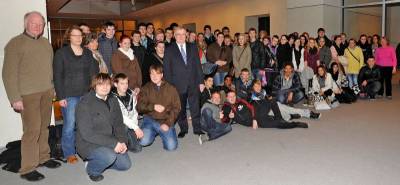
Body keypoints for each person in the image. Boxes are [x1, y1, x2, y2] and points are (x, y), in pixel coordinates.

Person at [2, 11, 61, 181]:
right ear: (25, 24)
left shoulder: (45, 43)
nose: (37, 26)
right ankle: (27, 168)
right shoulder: (15, 44)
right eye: (33, 23)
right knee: (32, 131)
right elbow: (8, 74)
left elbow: (49, 68)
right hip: (27, 96)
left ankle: (44, 157)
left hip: (46, 92)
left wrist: (53, 88)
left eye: (40, 24)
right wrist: (14, 98)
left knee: (44, 128)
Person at [53, 25, 99, 164]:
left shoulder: (87, 52)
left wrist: (95, 91)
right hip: (69, 95)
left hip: (86, 94)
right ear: (69, 37)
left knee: (85, 124)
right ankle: (69, 153)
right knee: (70, 125)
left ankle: (84, 149)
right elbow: (57, 76)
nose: (78, 38)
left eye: (80, 35)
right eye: (75, 35)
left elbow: (94, 72)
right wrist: (60, 97)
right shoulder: (62, 53)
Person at [76, 73, 131, 182]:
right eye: (100, 84)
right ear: (94, 86)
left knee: (125, 165)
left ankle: (102, 160)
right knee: (109, 156)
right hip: (89, 143)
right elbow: (87, 134)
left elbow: (119, 123)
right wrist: (114, 144)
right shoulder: (85, 103)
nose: (105, 87)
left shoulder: (113, 100)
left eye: (107, 84)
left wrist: (122, 141)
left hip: (108, 139)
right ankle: (91, 169)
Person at [163, 27, 205, 138]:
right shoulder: (169, 49)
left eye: (183, 34)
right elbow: (167, 70)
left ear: (186, 35)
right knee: (181, 109)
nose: (181, 36)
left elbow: (198, 66)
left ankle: (197, 128)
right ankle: (184, 129)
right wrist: (170, 87)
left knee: (195, 107)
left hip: (193, 82)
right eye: (178, 34)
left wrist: (201, 82)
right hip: (177, 85)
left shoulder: (192, 47)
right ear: (174, 35)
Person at [137, 64, 181, 150]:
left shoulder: (171, 89)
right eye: (152, 74)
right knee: (143, 141)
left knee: (171, 147)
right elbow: (139, 107)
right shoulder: (145, 88)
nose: (154, 76)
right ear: (149, 75)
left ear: (162, 75)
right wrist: (153, 107)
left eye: (157, 74)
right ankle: (153, 130)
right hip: (150, 120)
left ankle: (163, 131)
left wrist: (168, 123)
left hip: (165, 120)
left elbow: (177, 108)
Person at [223, 91, 308, 129]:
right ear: (226, 98)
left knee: (272, 101)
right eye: (230, 96)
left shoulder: (240, 101)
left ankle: (281, 118)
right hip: (259, 121)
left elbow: (252, 107)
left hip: (257, 114)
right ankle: (296, 124)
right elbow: (224, 120)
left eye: (233, 96)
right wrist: (230, 117)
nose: (232, 98)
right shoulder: (226, 107)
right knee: (277, 124)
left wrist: (254, 119)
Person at [251, 80, 320, 121]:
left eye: (259, 86)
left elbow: (268, 98)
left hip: (272, 106)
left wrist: (270, 98)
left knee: (288, 109)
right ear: (253, 87)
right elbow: (260, 106)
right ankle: (292, 116)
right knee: (285, 114)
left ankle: (308, 113)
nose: (258, 88)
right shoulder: (253, 96)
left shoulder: (263, 91)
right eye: (256, 86)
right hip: (267, 111)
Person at [111, 73, 142, 152]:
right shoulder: (112, 98)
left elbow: (135, 111)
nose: (125, 86)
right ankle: (118, 142)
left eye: (126, 83)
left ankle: (128, 139)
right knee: (123, 126)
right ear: (115, 84)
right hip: (120, 125)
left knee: (137, 149)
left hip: (131, 123)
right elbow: (122, 117)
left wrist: (135, 125)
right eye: (122, 83)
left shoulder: (131, 94)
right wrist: (136, 128)